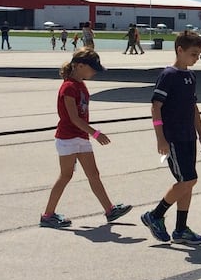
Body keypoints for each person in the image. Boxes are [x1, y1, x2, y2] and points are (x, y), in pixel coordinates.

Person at [37, 48, 133, 228]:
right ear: (79, 66)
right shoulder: (68, 87)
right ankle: (47, 215)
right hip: (68, 138)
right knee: (65, 176)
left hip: (81, 137)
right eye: (92, 68)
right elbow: (73, 118)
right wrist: (95, 133)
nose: (94, 72)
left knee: (94, 174)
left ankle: (110, 210)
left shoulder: (80, 84)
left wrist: (88, 134)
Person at [141, 32, 201, 244]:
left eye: (199, 54)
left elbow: (193, 107)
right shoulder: (169, 75)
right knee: (188, 180)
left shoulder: (190, 76)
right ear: (179, 50)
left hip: (188, 135)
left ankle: (181, 229)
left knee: (187, 183)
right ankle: (155, 215)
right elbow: (155, 107)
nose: (196, 58)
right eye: (193, 54)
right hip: (174, 136)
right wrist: (160, 138)